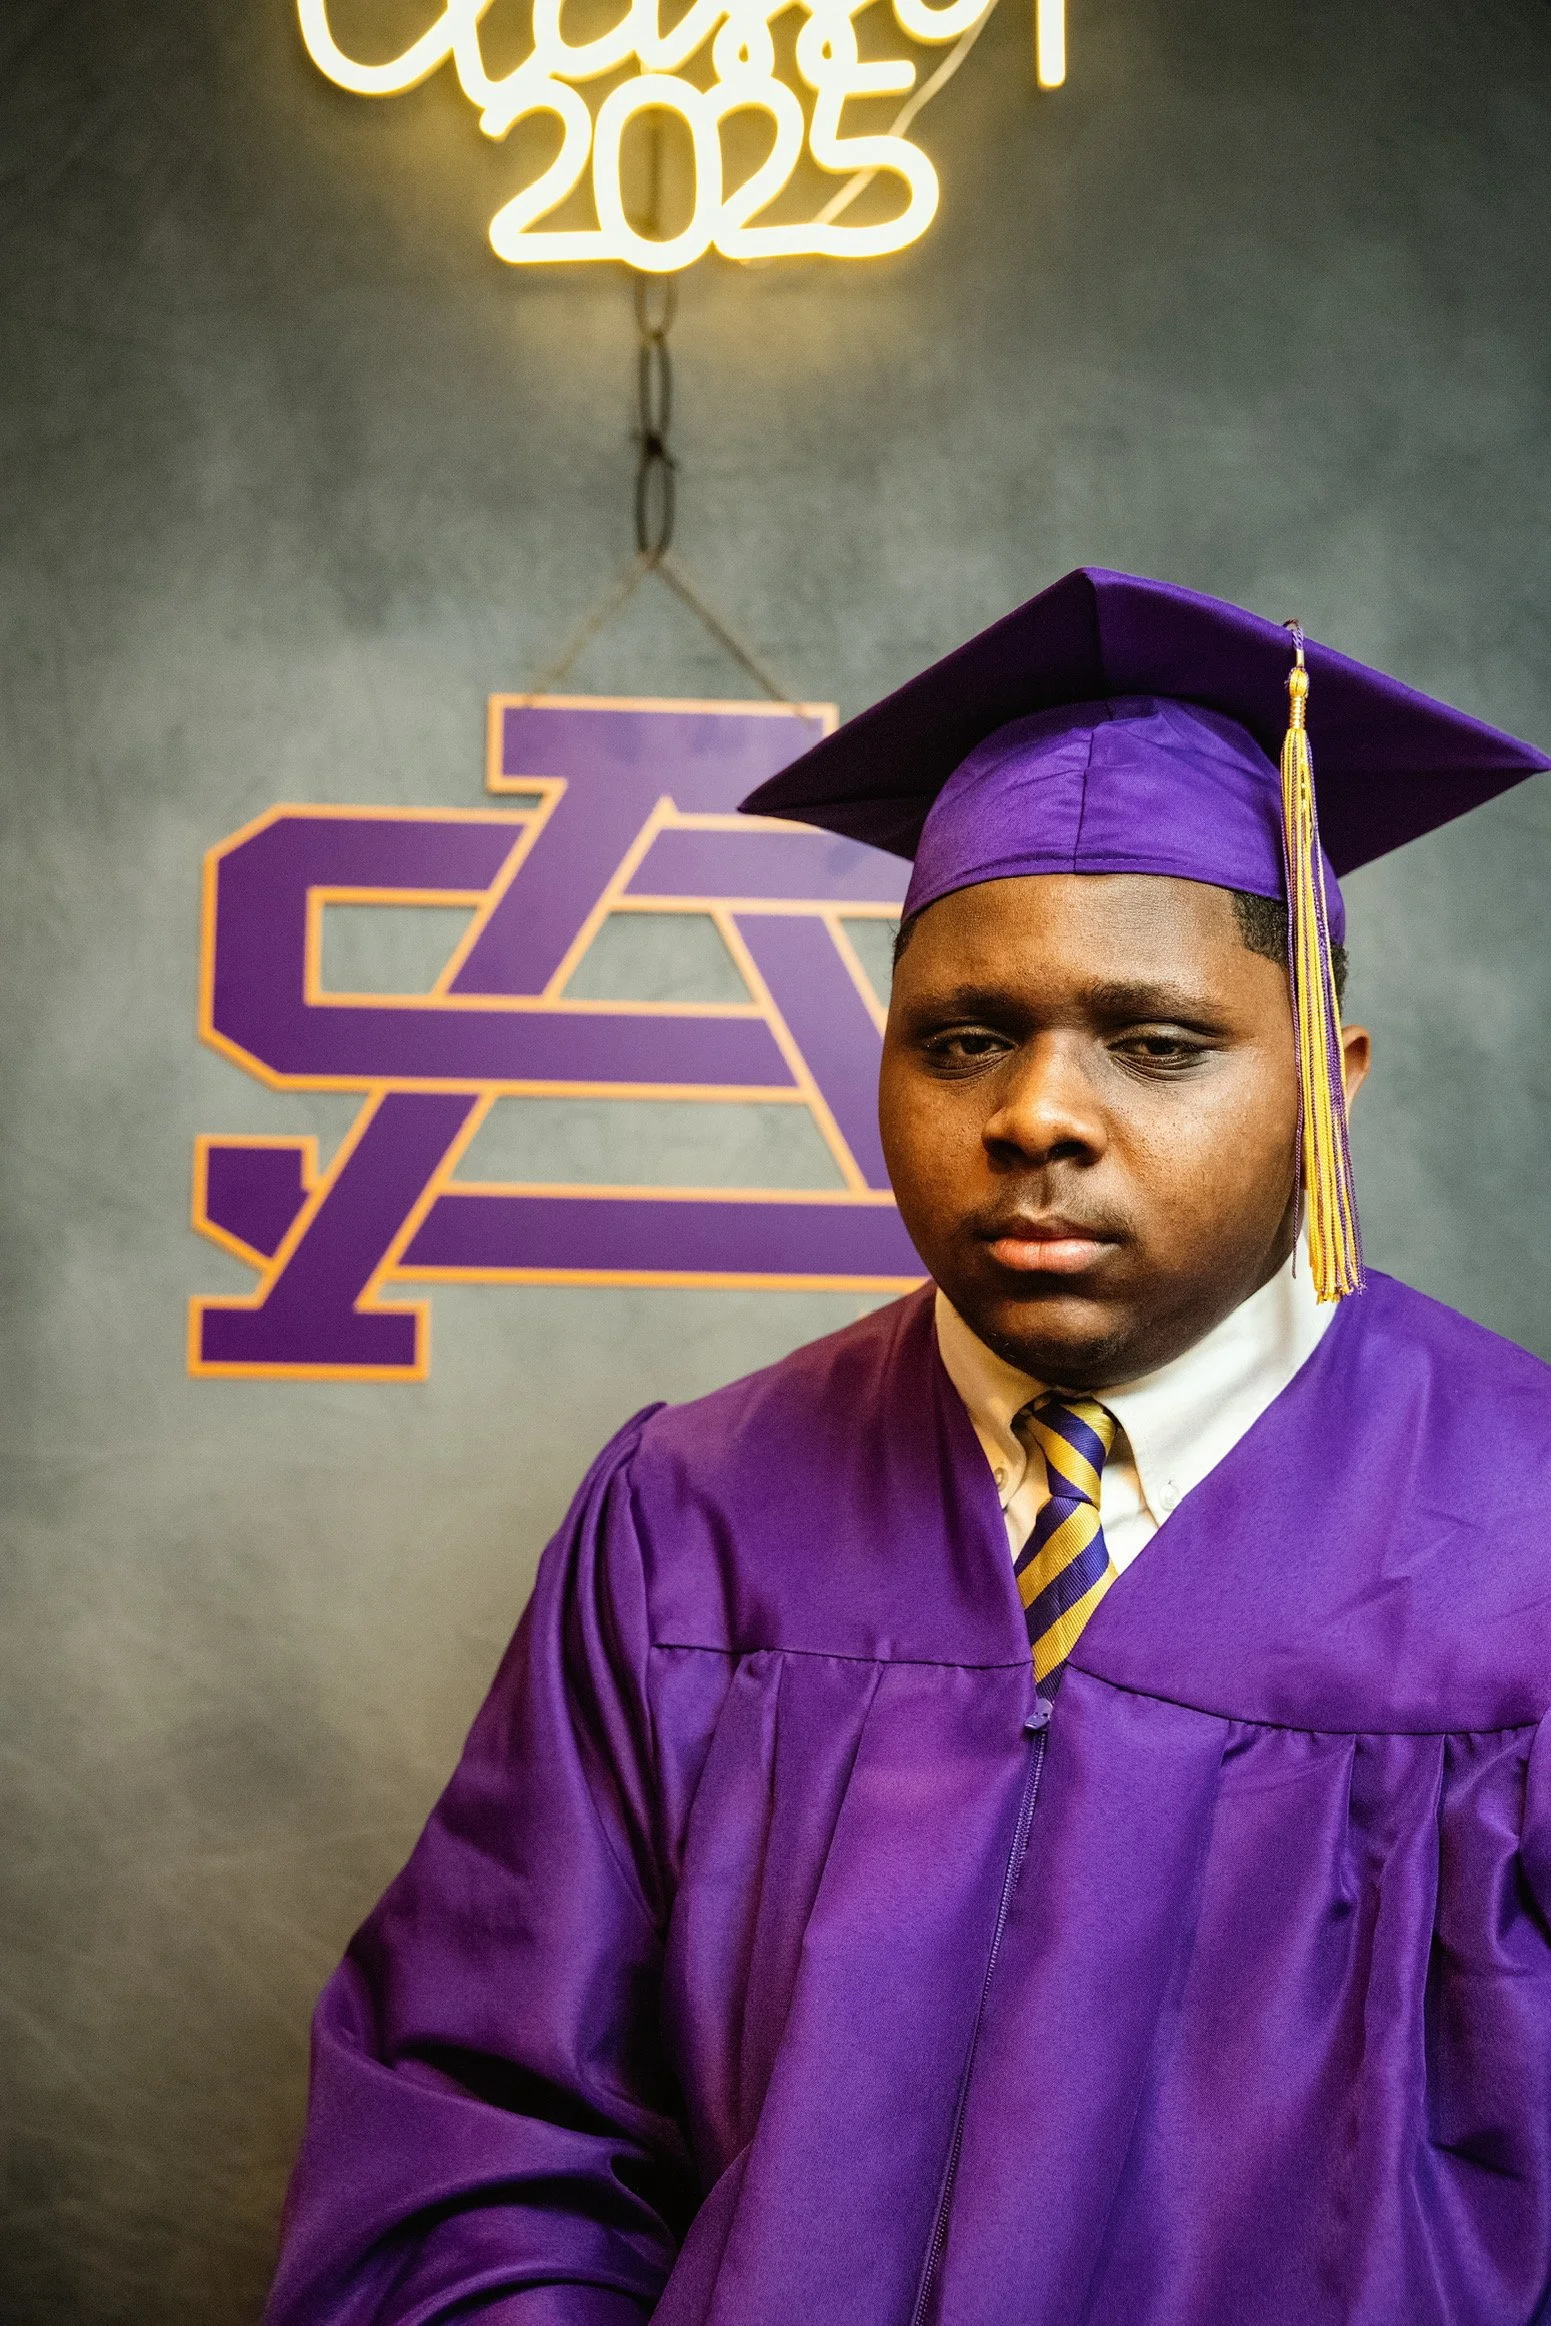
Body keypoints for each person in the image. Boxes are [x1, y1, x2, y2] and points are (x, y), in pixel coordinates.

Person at [265, 568, 1551, 2326]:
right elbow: (481, 2129)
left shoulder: (1527, 1547)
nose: (1034, 1112)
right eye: (962, 1039)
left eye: (1155, 1044)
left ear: (1330, 1084)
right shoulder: (692, 1521)